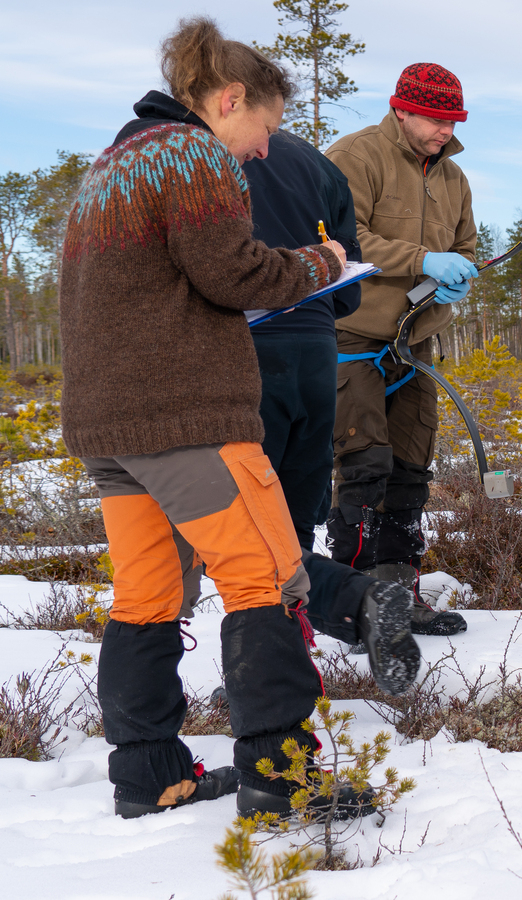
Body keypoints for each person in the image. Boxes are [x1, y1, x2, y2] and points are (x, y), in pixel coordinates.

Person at [59, 18, 348, 819]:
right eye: (264, 128)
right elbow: (234, 273)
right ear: (229, 101)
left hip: (112, 425)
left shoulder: (111, 165)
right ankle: (282, 782)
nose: (262, 150)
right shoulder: (189, 154)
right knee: (265, 577)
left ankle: (151, 775)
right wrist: (323, 263)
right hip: (187, 417)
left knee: (146, 596)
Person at [242, 130, 421, 694]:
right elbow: (350, 282)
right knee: (291, 517)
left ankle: (287, 667)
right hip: (319, 349)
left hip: (244, 349)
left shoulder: (202, 155)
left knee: (244, 530)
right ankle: (322, 634)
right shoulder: (319, 164)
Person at [324, 63, 476, 634]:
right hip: (354, 338)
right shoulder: (354, 157)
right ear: (402, 109)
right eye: (437, 118)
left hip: (418, 342)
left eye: (454, 120)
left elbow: (463, 242)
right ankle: (355, 607)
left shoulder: (454, 177)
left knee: (410, 469)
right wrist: (421, 261)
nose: (447, 130)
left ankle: (398, 600)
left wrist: (456, 270)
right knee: (364, 467)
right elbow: (344, 240)